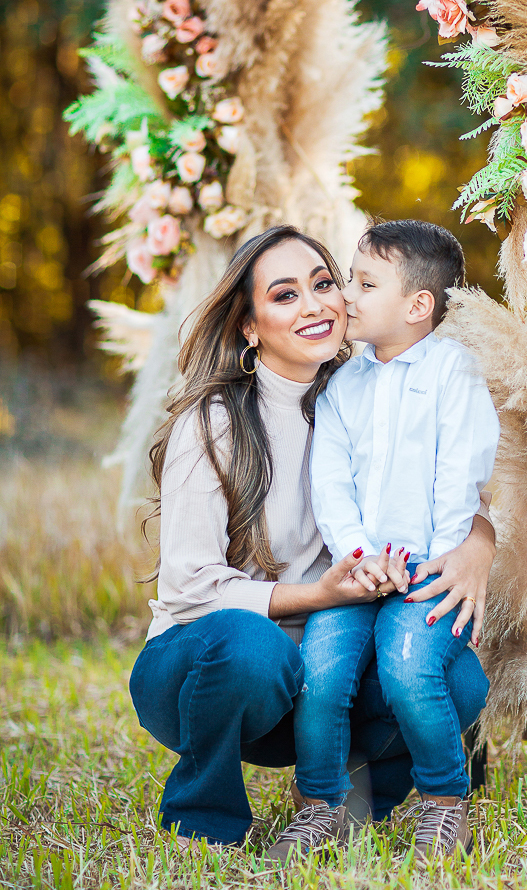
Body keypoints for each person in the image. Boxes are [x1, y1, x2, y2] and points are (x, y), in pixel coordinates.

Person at [128, 224, 497, 852]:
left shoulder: (357, 389)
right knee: (252, 647)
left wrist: (477, 547)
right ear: (250, 326)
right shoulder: (214, 422)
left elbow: (462, 480)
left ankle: (346, 799)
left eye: (324, 284)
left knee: (452, 678)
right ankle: (204, 816)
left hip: (316, 669)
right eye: (285, 295)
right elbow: (191, 586)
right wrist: (322, 594)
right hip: (212, 668)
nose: (319, 303)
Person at [268, 220, 499, 865]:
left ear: (417, 306)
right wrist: (358, 553)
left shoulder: (456, 371)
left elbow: (462, 471)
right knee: (321, 675)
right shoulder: (345, 384)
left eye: (365, 284)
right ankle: (320, 807)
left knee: (408, 670)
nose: (347, 295)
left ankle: (445, 802)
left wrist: (441, 554)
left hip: (433, 567)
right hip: (357, 569)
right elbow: (330, 481)